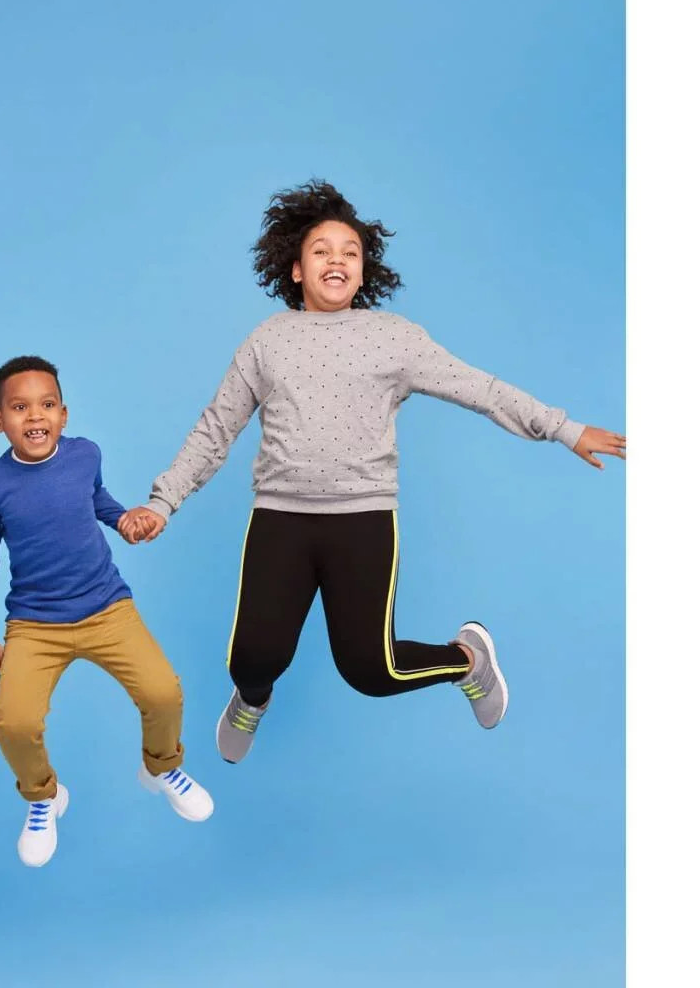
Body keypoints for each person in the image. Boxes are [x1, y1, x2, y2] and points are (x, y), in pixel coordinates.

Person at [120, 180, 624, 765]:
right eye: (321, 251)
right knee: (251, 661)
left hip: (361, 521)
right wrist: (163, 501)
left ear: (364, 272)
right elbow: (216, 429)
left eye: (350, 252)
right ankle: (252, 699)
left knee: (372, 671)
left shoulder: (394, 338)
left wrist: (564, 429)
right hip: (281, 519)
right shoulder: (267, 340)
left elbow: (480, 389)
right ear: (296, 270)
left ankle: (468, 661)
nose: (336, 260)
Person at [0, 355, 213, 867]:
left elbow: (97, 500)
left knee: (164, 693)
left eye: (47, 405)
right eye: (19, 407)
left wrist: (124, 521)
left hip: (106, 608)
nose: (35, 416)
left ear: (64, 414)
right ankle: (43, 797)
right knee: (14, 723)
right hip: (34, 625)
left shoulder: (85, 455)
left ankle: (161, 767)